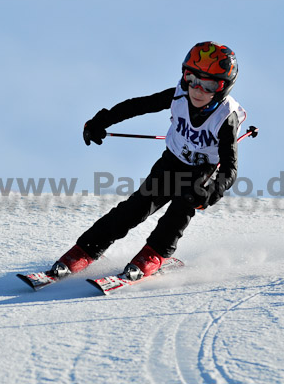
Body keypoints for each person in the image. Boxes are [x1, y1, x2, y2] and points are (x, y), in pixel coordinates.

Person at [51, 41, 247, 281]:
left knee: (182, 207)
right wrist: (101, 121)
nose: (197, 89)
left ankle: (155, 254)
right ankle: (86, 249)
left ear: (223, 87)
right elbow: (139, 105)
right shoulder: (179, 95)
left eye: (208, 84)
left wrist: (213, 191)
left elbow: (230, 168)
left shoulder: (226, 117)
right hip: (171, 162)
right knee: (136, 207)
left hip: (200, 172)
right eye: (191, 78)